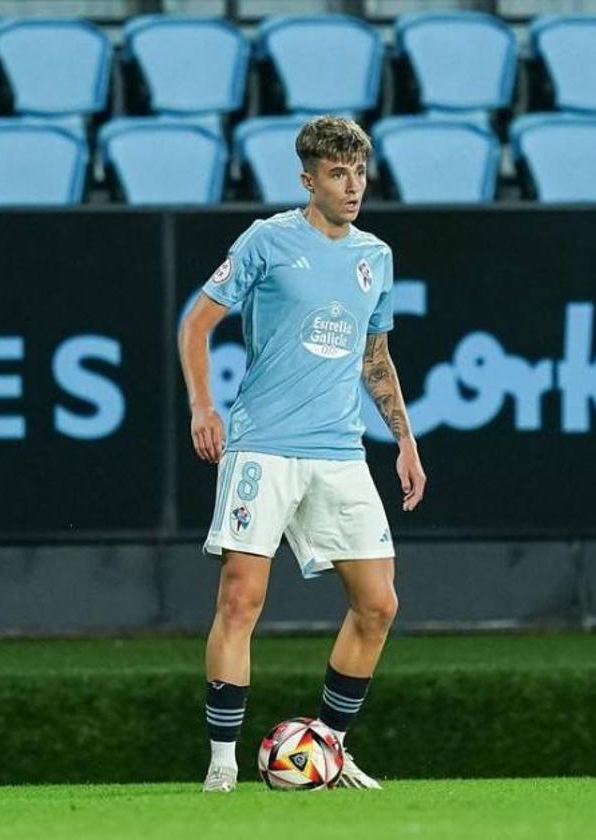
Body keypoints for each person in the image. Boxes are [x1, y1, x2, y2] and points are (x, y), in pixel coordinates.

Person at [178, 115, 427, 793]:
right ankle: (223, 762)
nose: (353, 187)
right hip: (264, 444)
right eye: (338, 174)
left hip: (340, 450)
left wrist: (403, 438)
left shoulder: (375, 256)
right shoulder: (267, 240)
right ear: (309, 179)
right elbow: (196, 323)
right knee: (241, 599)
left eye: (360, 173)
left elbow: (376, 357)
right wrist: (204, 406)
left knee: (379, 604)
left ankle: (330, 749)